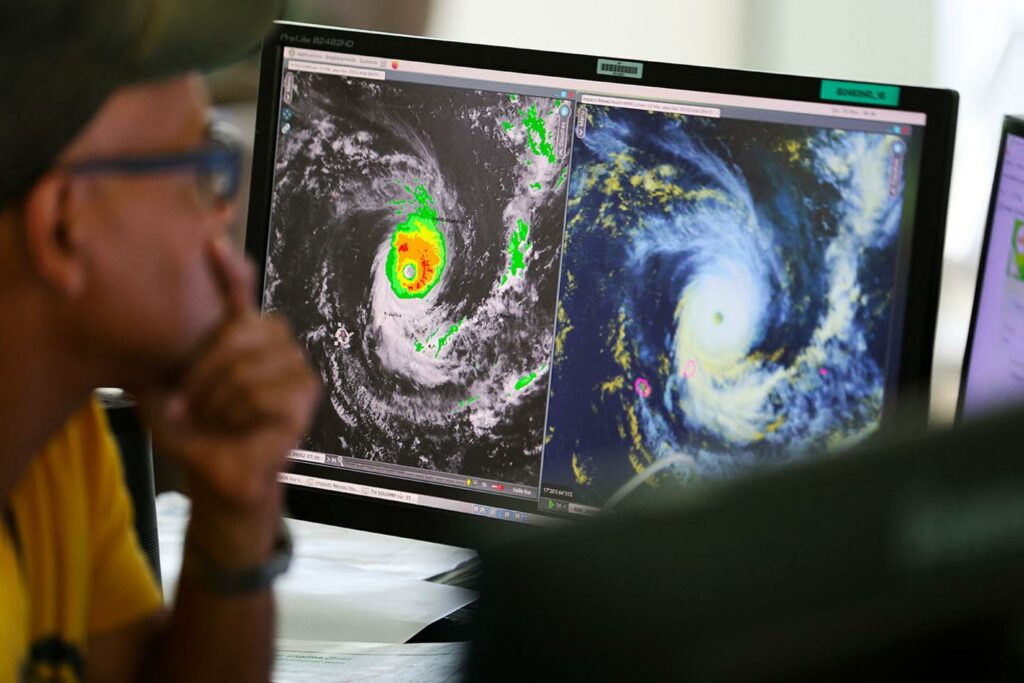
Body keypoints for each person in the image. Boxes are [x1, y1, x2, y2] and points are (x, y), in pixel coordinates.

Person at [0, 1, 322, 680]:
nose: (221, 216)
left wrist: (234, 519)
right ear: (62, 227)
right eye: (200, 168)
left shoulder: (55, 450)